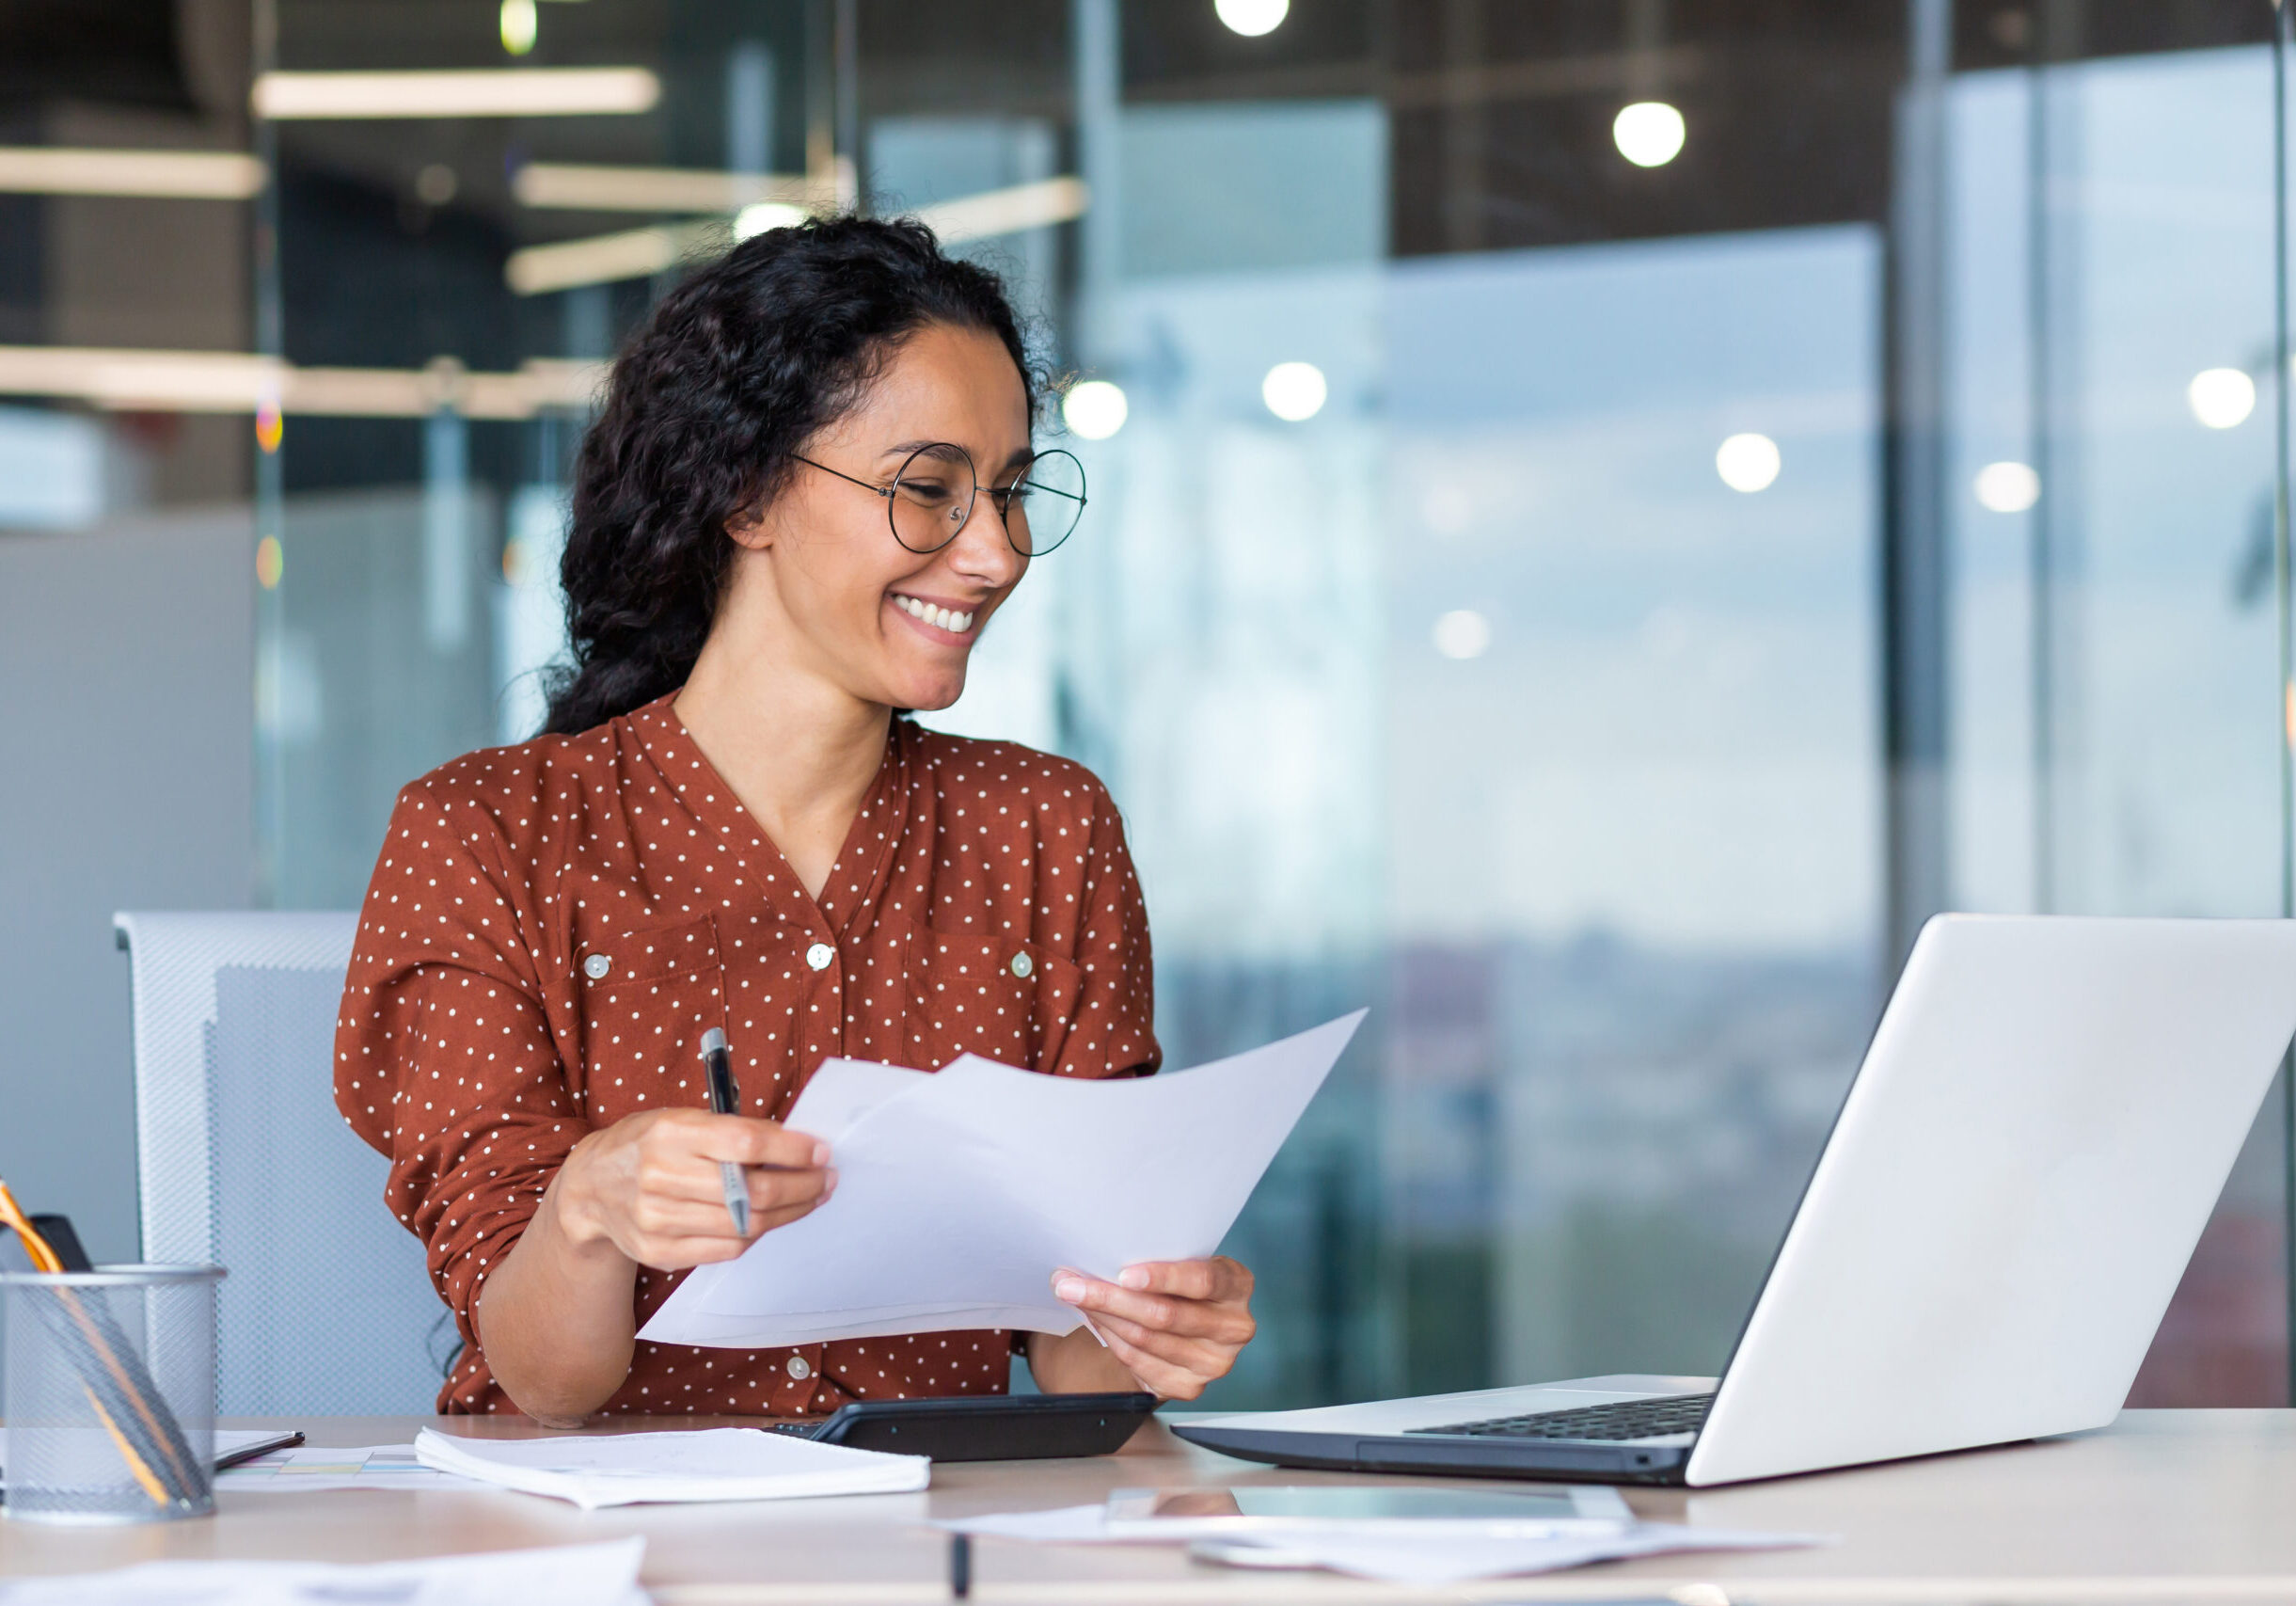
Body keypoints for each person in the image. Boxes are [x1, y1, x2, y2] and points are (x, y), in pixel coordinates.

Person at [333, 217, 1257, 1425]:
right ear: (748, 494)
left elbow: (1075, 1355)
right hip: (606, 1542)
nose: (993, 554)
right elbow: (547, 1379)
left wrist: (1157, 1325)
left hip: (941, 1533)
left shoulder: (1044, 828)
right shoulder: (488, 835)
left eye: (1013, 493)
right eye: (928, 490)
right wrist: (589, 1206)